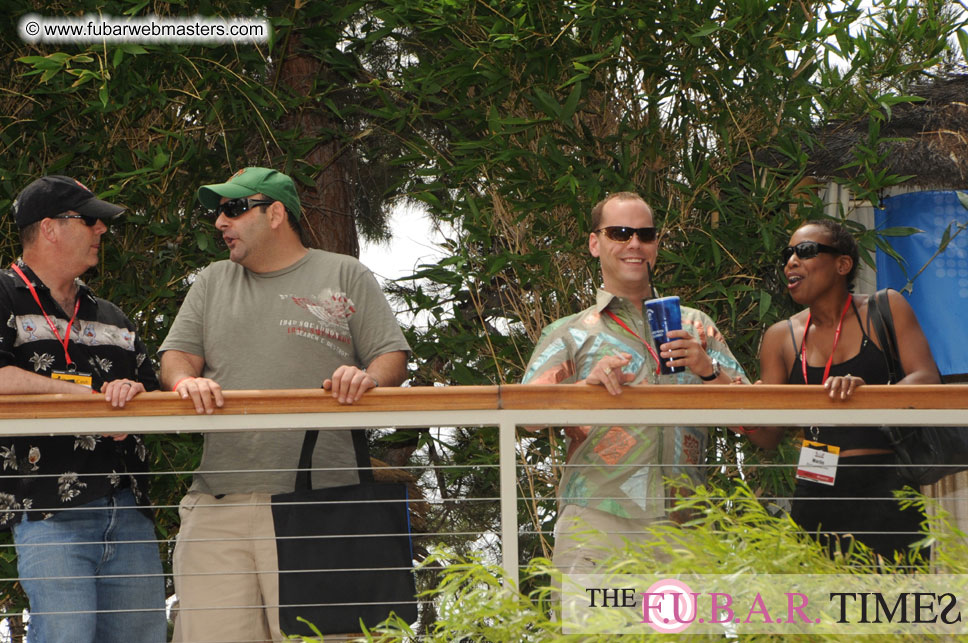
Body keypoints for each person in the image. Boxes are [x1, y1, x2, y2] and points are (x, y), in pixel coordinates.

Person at [158, 167, 410, 641]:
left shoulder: (343, 272)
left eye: (233, 209)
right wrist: (183, 382)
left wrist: (367, 377)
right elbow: (177, 357)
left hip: (325, 506)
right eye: (218, 211)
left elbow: (390, 357)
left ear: (275, 213)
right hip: (219, 506)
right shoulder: (212, 281)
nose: (219, 222)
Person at [522, 192, 761, 573]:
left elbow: (755, 419)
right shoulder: (569, 332)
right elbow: (526, 416)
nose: (634, 243)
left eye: (645, 234)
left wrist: (708, 372)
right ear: (594, 244)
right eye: (620, 232)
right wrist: (585, 391)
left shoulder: (696, 325)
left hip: (688, 526)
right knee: (596, 635)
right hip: (600, 518)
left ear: (655, 246)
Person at [0, 176, 165, 643]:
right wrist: (88, 400)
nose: (102, 230)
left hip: (128, 509)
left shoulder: (111, 315)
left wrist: (131, 398)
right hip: (48, 510)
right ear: (50, 228)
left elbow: (154, 394)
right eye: (90, 220)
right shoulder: (2, 295)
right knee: (65, 636)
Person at [758, 219, 940, 562]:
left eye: (806, 251)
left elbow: (927, 379)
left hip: (886, 486)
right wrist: (736, 402)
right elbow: (767, 438)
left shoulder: (885, 307)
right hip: (816, 489)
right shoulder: (779, 337)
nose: (791, 262)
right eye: (788, 254)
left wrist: (868, 395)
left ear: (843, 265)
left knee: (892, 609)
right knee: (821, 609)